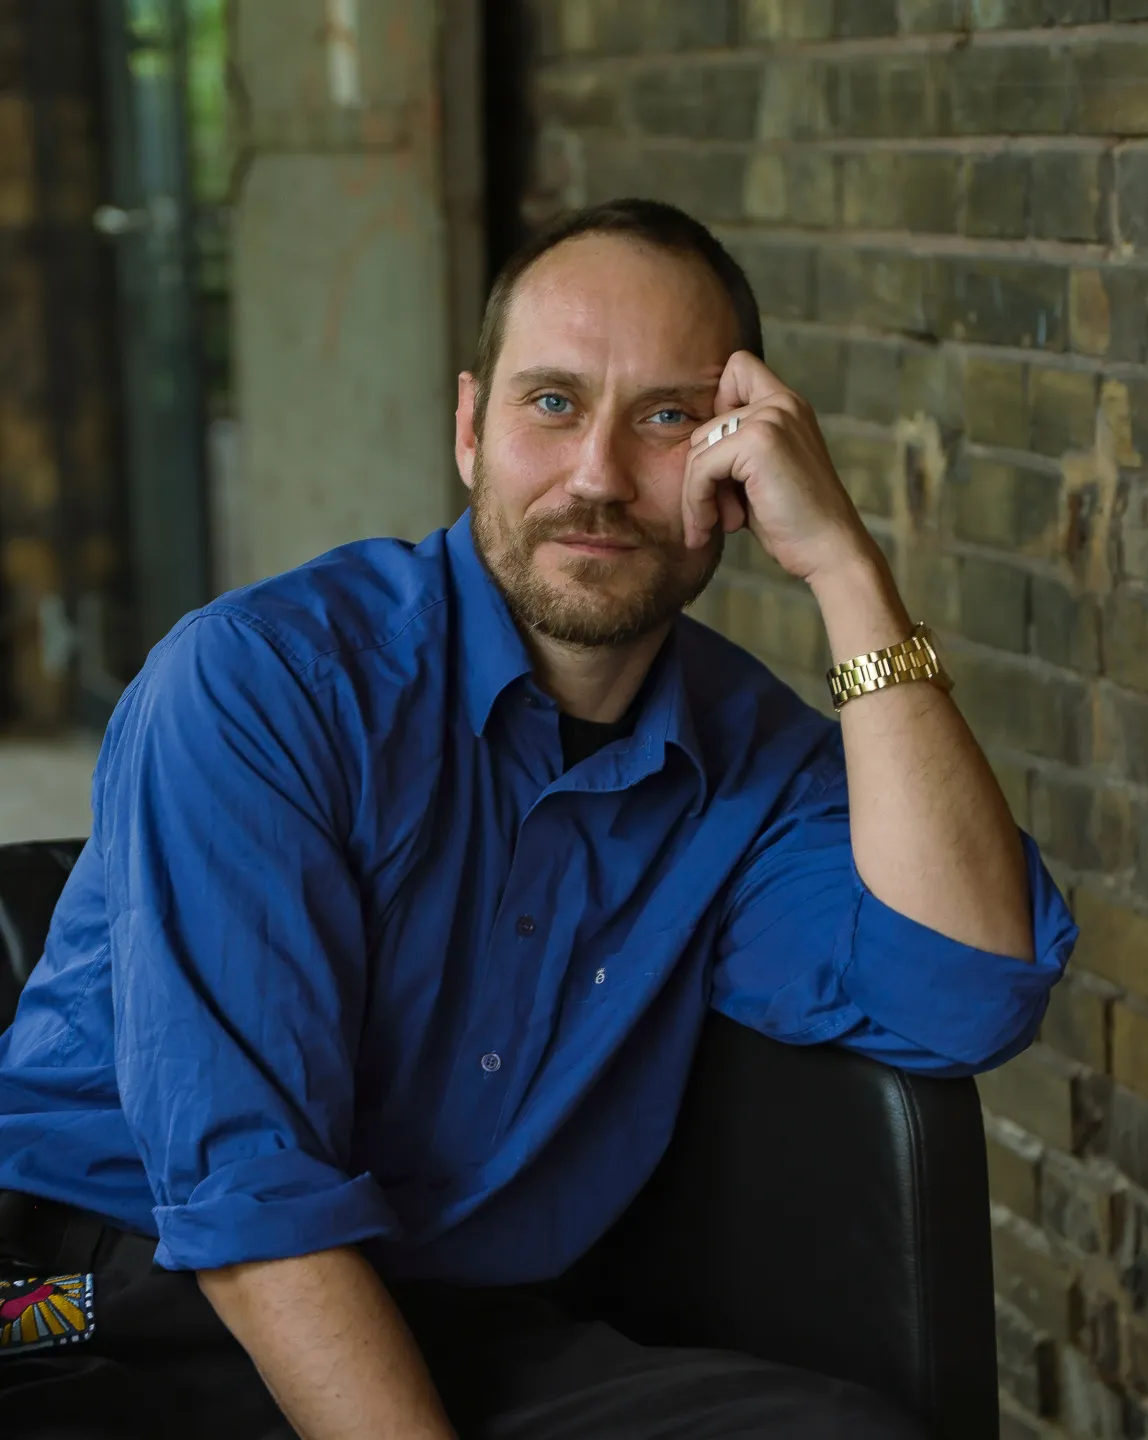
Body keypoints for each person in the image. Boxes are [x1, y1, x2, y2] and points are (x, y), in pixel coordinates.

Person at [0, 198, 1074, 1439]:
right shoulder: (262, 684)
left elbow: (968, 990)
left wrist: (844, 568)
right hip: (110, 1305)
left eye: (667, 417)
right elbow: (250, 1199)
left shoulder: (748, 761)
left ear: (736, 465)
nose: (599, 479)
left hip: (456, 1320)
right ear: (470, 428)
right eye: (552, 404)